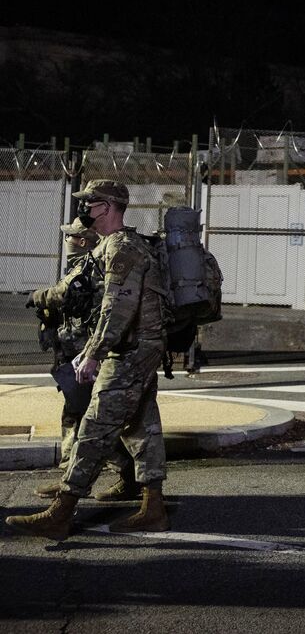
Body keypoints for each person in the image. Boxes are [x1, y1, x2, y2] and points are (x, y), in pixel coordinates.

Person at [7, 180, 171, 541]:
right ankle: (153, 508)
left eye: (90, 203)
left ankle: (61, 514)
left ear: (108, 207)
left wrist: (94, 352)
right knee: (144, 425)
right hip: (141, 348)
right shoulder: (117, 245)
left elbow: (118, 309)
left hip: (127, 352)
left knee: (93, 428)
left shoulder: (123, 248)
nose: (84, 208)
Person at [28, 218, 139, 501]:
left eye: (72, 236)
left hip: (86, 355)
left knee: (91, 418)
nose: (69, 241)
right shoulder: (89, 263)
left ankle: (127, 473)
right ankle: (70, 476)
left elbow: (63, 293)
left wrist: (38, 296)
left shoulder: (90, 266)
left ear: (83, 240)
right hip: (77, 352)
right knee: (75, 415)